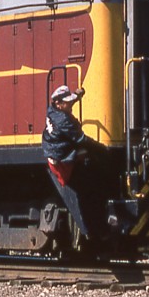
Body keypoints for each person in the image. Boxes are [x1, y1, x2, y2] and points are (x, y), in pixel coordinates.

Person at [42, 84, 100, 240]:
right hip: (61, 163)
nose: (71, 105)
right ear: (59, 104)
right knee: (86, 182)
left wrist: (77, 94)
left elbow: (70, 100)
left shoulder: (56, 109)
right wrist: (100, 148)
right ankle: (92, 229)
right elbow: (81, 139)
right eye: (67, 103)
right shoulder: (62, 120)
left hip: (62, 153)